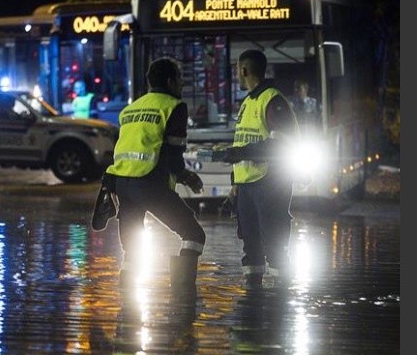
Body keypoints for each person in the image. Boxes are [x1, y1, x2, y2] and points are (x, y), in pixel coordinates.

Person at [94, 56, 206, 293]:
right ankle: (183, 299)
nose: (183, 84)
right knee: (194, 234)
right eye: (180, 78)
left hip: (122, 184)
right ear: (170, 81)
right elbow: (174, 154)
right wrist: (187, 176)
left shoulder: (130, 109)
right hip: (149, 183)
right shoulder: (175, 106)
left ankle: (126, 311)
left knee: (132, 250)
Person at [222, 49, 300, 288]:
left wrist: (242, 153)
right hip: (248, 186)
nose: (237, 74)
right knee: (251, 245)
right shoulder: (248, 102)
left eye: (237, 70)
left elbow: (280, 143)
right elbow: (241, 142)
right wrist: (234, 186)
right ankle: (252, 305)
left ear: (243, 70)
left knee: (274, 243)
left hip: (270, 183)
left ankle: (280, 303)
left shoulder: (272, 100)